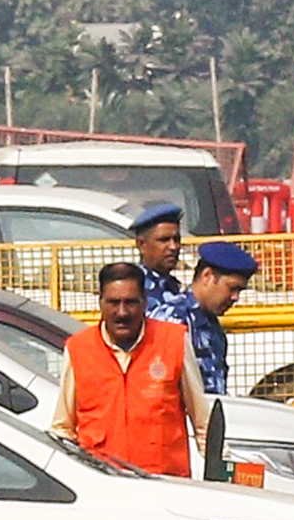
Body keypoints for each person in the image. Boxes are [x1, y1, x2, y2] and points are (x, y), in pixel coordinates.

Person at [49, 261, 209, 477]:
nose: (122, 312)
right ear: (100, 302)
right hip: (102, 482)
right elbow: (62, 429)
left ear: (144, 302)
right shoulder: (78, 349)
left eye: (131, 302)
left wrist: (220, 475)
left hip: (164, 483)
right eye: (113, 302)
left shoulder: (174, 341)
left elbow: (203, 423)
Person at [153, 241, 257, 395]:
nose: (235, 297)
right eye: (232, 288)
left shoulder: (211, 324)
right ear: (207, 276)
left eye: (239, 291)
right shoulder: (172, 320)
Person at [132, 203, 185, 313]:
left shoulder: (171, 284)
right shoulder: (135, 290)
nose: (173, 247)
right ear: (141, 244)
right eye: (164, 240)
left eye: (176, 239)